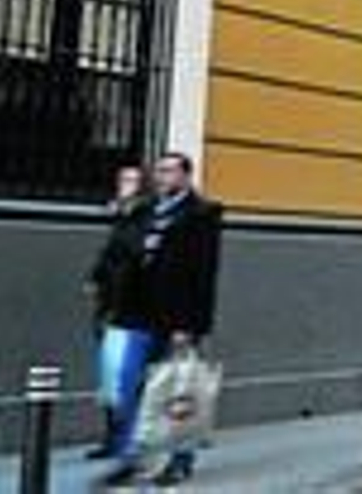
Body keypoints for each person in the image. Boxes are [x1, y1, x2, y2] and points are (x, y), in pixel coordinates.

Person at [101, 152, 223, 489]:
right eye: (158, 171)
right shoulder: (145, 209)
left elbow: (203, 274)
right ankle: (132, 459)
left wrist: (190, 326)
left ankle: (180, 458)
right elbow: (122, 251)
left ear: (185, 176)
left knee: (178, 389)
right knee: (128, 386)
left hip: (176, 316)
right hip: (136, 312)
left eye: (169, 171)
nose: (161, 177)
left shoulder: (202, 214)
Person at [86, 163, 148, 460]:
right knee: (111, 374)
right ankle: (114, 437)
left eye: (131, 180)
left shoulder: (144, 217)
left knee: (126, 375)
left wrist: (125, 214)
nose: (124, 185)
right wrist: (94, 279)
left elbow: (132, 254)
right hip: (110, 304)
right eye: (122, 179)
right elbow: (109, 256)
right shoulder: (123, 218)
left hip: (131, 307)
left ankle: (127, 439)